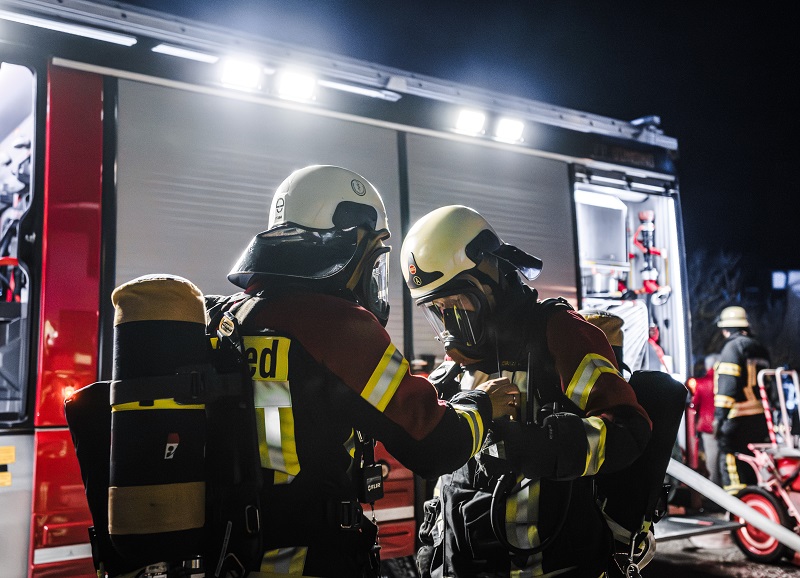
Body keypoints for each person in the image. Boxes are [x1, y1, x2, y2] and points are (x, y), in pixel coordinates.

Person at [205, 166, 517, 577]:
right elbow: (435, 443)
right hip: (313, 559)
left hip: (235, 557)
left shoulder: (230, 316)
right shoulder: (337, 325)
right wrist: (483, 404)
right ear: (348, 244)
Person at [401, 205, 652, 578]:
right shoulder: (459, 360)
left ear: (490, 277)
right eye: (438, 308)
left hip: (549, 566)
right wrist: (431, 550)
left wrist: (542, 444)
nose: (451, 319)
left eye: (456, 302)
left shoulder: (560, 335)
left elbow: (628, 429)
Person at [713, 306, 771, 494]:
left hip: (737, 417)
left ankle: (737, 506)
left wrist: (719, 418)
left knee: (730, 461)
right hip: (760, 417)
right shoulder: (760, 348)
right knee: (752, 463)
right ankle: (755, 500)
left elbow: (727, 386)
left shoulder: (732, 347)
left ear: (726, 329)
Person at [689, 354, 720, 486]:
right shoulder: (724, 382)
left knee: (711, 456)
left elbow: (694, 404)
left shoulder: (701, 383)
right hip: (725, 422)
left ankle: (713, 485)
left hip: (707, 425)